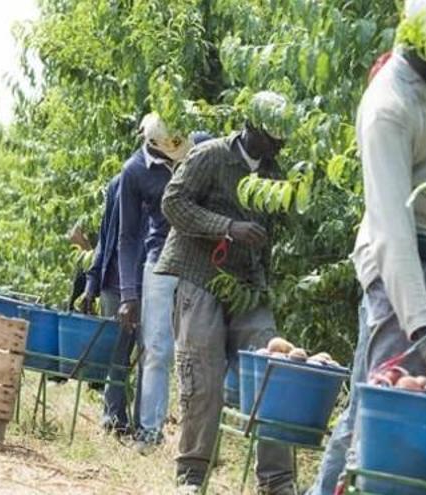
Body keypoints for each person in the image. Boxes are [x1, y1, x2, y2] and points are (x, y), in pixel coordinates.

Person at [307, 1, 426, 493]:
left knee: (365, 418)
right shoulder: (388, 108)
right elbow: (391, 229)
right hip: (404, 279)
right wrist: (424, 329)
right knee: (389, 435)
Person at [154, 92, 295, 493]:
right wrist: (228, 228)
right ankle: (192, 473)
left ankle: (277, 479)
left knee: (272, 368)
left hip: (248, 287)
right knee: (202, 375)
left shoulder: (275, 174)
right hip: (199, 276)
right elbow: (173, 204)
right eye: (272, 138)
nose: (277, 147)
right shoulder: (210, 156)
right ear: (252, 127)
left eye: (282, 141)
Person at [115, 114, 209, 454]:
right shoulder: (135, 171)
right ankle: (150, 433)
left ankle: (196, 441)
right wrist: (128, 293)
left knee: (200, 350)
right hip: (159, 264)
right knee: (157, 349)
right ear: (154, 143)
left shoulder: (197, 147)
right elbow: (126, 238)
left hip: (200, 261)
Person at [81, 174, 140, 436]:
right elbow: (106, 236)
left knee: (149, 355)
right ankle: (114, 418)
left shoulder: (167, 182)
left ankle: (144, 424)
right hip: (114, 282)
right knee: (117, 355)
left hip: (148, 283)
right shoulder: (119, 183)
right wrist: (91, 284)